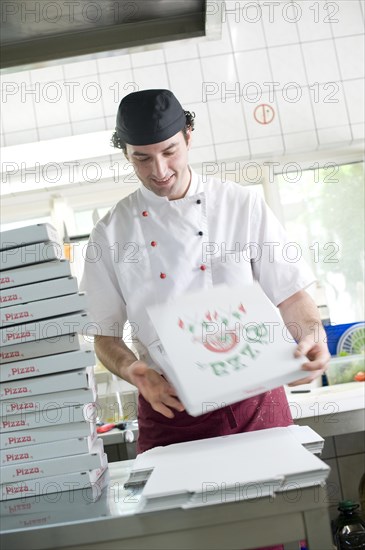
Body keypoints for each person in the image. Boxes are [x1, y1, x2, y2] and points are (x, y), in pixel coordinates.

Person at [81, 89, 330, 550]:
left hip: (256, 406)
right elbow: (105, 337)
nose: (160, 171)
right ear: (125, 153)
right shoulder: (110, 233)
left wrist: (311, 335)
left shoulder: (242, 205)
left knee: (275, 533)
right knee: (184, 541)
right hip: (171, 411)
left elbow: (293, 297)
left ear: (189, 137)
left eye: (169, 151)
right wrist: (136, 373)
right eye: (142, 159)